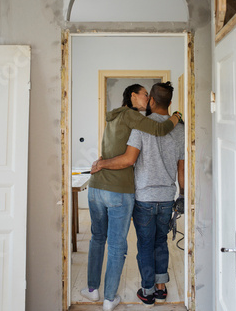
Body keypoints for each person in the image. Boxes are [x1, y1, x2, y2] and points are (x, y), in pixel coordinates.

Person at [81, 84, 182, 311]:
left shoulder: (117, 118)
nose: (147, 99)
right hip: (132, 191)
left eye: (149, 95)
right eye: (143, 94)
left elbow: (119, 152)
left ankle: (95, 289)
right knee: (130, 244)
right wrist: (177, 116)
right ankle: (123, 296)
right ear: (134, 96)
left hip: (104, 188)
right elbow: (160, 132)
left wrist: (100, 163)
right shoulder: (138, 119)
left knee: (100, 239)